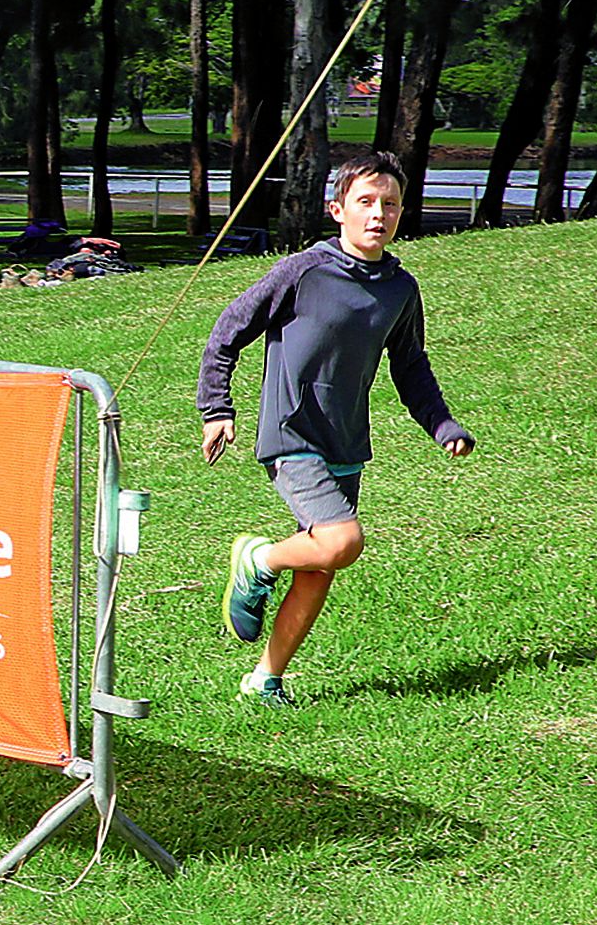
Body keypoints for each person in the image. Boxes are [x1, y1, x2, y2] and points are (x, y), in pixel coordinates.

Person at [199, 151, 475, 706]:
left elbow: (411, 365)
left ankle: (265, 680)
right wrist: (217, 407)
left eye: (390, 204)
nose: (379, 214)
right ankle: (258, 559)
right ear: (337, 210)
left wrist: (441, 425)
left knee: (321, 566)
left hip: (345, 441)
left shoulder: (400, 288)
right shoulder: (303, 271)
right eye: (365, 202)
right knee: (342, 541)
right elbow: (229, 329)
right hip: (292, 433)